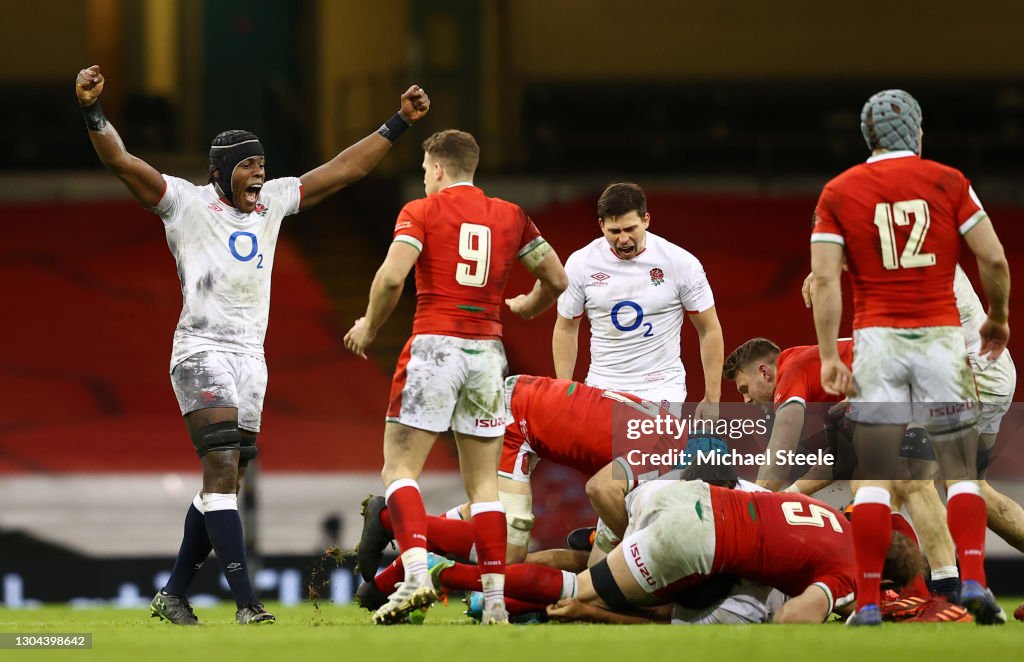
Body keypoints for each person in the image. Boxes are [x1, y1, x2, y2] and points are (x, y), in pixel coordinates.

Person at [75, 64, 430, 626]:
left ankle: (172, 593)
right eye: (248, 165)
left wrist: (398, 124)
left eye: (262, 163)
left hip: (250, 359)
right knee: (220, 468)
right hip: (201, 350)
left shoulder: (273, 204)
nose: (259, 174)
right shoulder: (185, 204)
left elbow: (341, 172)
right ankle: (247, 603)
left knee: (226, 477)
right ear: (221, 172)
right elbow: (121, 161)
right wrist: (94, 112)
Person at [343, 130, 568, 625]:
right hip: (489, 353)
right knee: (485, 485)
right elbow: (556, 279)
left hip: (435, 344)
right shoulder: (512, 216)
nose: (424, 179)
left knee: (400, 471)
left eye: (426, 170)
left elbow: (391, 277)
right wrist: (529, 305)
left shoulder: (421, 212)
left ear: (439, 169)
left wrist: (369, 325)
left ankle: (418, 576)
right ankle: (493, 604)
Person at [810, 89, 1011, 625]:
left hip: (877, 341)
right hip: (942, 337)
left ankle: (871, 602)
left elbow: (825, 279)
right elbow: (991, 255)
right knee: (962, 472)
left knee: (874, 476)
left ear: (867, 137)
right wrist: (999, 315)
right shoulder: (949, 181)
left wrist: (830, 354)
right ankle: (974, 579)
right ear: (918, 134)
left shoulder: (839, 190)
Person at [552, 183, 723, 419]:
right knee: (606, 456)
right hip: (602, 385)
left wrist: (712, 397)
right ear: (601, 225)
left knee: (640, 455)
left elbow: (709, 329)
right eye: (614, 231)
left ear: (646, 220)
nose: (623, 239)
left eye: (630, 229)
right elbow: (566, 328)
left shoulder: (681, 263)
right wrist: (564, 388)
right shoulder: (580, 263)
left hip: (661, 387)